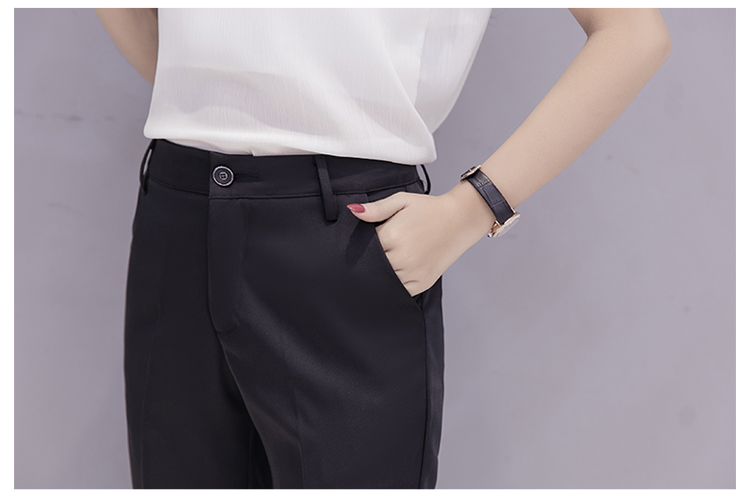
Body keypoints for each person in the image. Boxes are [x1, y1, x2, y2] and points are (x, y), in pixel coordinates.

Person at [94, 7, 671, 489]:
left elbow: (633, 31)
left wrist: (475, 208)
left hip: (346, 232)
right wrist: (208, 98)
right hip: (178, 213)